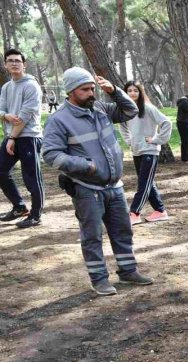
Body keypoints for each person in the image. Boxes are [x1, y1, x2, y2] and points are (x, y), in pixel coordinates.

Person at [42, 67, 153, 296]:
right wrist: (86, 165)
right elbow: (50, 155)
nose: (91, 92)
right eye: (85, 89)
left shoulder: (100, 108)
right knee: (92, 235)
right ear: (71, 91)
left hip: (114, 187)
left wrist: (114, 91)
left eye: (92, 88)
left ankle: (128, 270)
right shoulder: (59, 120)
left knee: (123, 231)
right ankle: (99, 279)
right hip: (86, 189)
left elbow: (131, 110)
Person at [0, 48, 45, 229]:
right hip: (12, 135)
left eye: (18, 61)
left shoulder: (31, 86)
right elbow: (1, 109)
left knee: (32, 177)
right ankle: (19, 207)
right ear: (5, 65)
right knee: (1, 171)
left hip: (29, 137)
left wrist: (11, 137)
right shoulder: (6, 87)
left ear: (24, 64)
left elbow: (24, 117)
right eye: (10, 60)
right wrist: (6, 116)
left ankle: (35, 215)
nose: (14, 63)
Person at [119, 80, 172, 224]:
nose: (132, 93)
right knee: (148, 183)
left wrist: (157, 139)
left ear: (140, 92)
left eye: (135, 90)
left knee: (144, 184)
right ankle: (160, 211)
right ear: (125, 93)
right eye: (129, 90)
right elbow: (122, 127)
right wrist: (130, 141)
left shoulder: (148, 108)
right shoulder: (126, 110)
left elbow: (167, 122)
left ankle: (134, 213)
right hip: (137, 151)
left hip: (150, 150)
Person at [175, 94, 188, 162]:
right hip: (182, 123)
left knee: (184, 141)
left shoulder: (182, 101)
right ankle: (185, 158)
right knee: (185, 141)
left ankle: (185, 157)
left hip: (181, 122)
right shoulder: (184, 102)